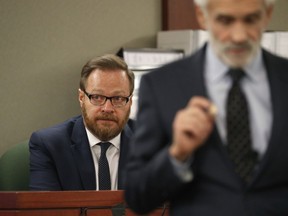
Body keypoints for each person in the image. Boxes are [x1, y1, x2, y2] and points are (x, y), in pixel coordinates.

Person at [124, 0, 288, 215]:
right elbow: (137, 196)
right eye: (225, 20)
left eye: (250, 19)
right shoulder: (162, 86)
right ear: (202, 16)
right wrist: (177, 153)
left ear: (267, 15)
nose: (238, 35)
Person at [29, 54, 135, 190]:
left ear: (130, 102)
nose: (107, 109)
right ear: (81, 98)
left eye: (118, 98)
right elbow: (45, 209)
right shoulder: (49, 145)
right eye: (97, 97)